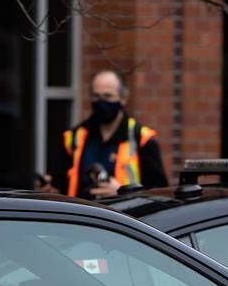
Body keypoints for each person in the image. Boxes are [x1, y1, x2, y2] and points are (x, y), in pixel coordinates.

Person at [56, 70, 167, 198]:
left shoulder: (142, 140)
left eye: (108, 96)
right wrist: (51, 187)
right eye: (96, 96)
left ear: (123, 98)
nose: (101, 102)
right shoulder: (75, 137)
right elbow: (61, 183)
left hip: (123, 216)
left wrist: (122, 191)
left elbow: (160, 195)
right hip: (80, 215)